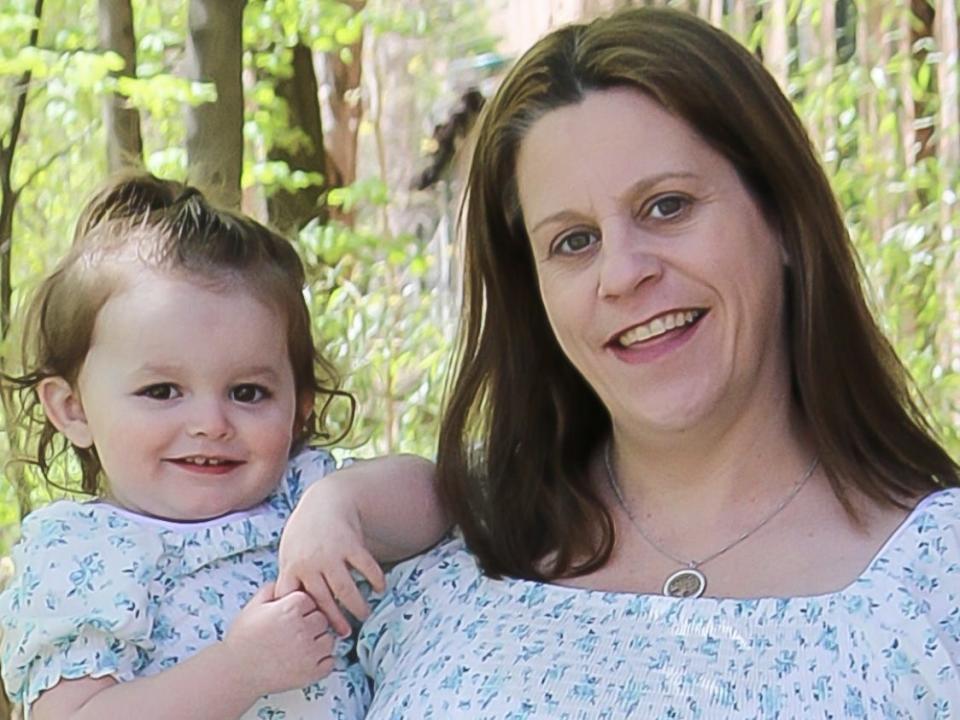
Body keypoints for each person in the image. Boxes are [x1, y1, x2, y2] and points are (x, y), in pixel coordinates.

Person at [288, 6, 960, 717]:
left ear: (785, 220)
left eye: (667, 206)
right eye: (574, 242)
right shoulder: (434, 557)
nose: (623, 273)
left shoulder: (935, 587)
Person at [0, 174, 447, 720]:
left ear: (299, 405)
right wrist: (239, 669)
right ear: (73, 410)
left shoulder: (299, 496)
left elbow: (440, 500)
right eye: (162, 391)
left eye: (247, 392)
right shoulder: (83, 554)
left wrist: (343, 505)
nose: (211, 423)